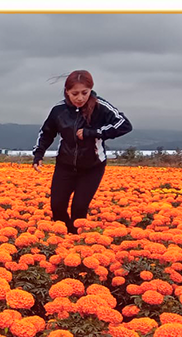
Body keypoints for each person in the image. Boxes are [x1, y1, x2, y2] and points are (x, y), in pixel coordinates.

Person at [31, 70, 132, 234]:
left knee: (79, 208)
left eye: (85, 93)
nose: (80, 98)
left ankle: (77, 244)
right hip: (65, 164)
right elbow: (47, 132)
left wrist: (93, 132)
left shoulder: (101, 107)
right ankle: (64, 240)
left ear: (91, 89)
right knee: (57, 207)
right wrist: (39, 153)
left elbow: (124, 125)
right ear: (67, 92)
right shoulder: (59, 110)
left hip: (92, 166)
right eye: (75, 93)